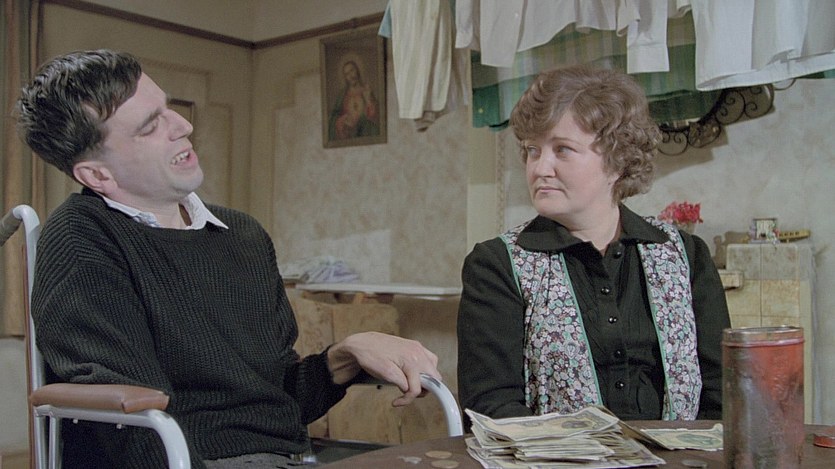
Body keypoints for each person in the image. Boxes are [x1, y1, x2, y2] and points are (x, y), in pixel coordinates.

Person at [15, 49, 440, 468]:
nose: (184, 126)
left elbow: (278, 402)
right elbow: (133, 433)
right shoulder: (81, 239)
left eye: (168, 109)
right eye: (151, 126)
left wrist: (343, 356)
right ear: (97, 175)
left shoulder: (243, 234)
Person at [457, 65, 730, 426]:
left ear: (617, 162)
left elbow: (723, 395)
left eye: (562, 150)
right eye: (533, 150)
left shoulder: (686, 255)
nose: (540, 168)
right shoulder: (497, 265)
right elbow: (490, 407)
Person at [328, 59, 379, 140]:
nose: (351, 76)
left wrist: (368, 100)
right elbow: (333, 118)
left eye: (352, 70)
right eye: (347, 74)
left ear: (357, 70)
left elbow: (375, 118)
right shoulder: (342, 95)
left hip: (365, 134)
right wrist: (342, 120)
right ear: (345, 77)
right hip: (348, 135)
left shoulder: (367, 91)